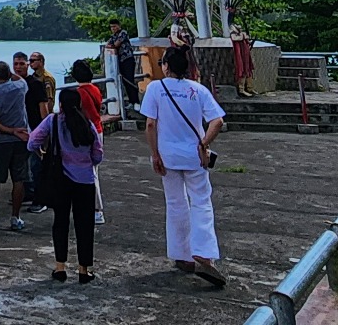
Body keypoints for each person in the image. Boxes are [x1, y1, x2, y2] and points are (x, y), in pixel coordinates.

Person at [141, 47, 228, 288]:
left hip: (167, 155)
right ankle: (203, 252)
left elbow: (150, 124)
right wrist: (204, 143)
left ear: (166, 65)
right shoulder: (197, 90)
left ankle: (183, 255)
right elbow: (217, 121)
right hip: (194, 156)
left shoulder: (155, 89)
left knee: (175, 202)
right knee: (201, 201)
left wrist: (154, 154)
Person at [28, 88, 103, 284]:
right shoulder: (87, 124)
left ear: (60, 104)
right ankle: (83, 270)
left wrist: (44, 154)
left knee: (60, 222)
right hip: (85, 181)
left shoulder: (53, 121)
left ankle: (60, 267)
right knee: (85, 225)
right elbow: (98, 154)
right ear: (79, 104)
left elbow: (32, 142)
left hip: (60, 180)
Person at [0, 61, 30, 232]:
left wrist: (9, 130)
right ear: (9, 74)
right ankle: (16, 217)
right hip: (21, 138)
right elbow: (19, 78)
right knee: (19, 179)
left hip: (1, 141)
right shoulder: (20, 87)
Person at [70, 60, 107, 225]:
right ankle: (94, 208)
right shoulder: (95, 89)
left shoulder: (79, 93)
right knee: (94, 170)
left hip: (86, 133)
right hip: (98, 130)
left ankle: (97, 209)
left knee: (90, 173)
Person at [17, 51, 50, 214]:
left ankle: (41, 200)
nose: (18, 67)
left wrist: (44, 131)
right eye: (15, 64)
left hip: (35, 130)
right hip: (20, 131)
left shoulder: (36, 84)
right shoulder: (14, 84)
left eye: (22, 64)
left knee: (37, 167)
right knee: (25, 167)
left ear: (27, 65)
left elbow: (43, 108)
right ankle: (29, 193)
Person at [105, 19, 139, 109]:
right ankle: (132, 102)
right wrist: (110, 45)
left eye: (114, 26)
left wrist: (111, 45)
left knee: (129, 80)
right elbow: (107, 44)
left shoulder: (123, 33)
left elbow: (116, 44)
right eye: (111, 27)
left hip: (128, 59)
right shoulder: (113, 36)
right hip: (120, 61)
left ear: (119, 26)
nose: (113, 29)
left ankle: (136, 102)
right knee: (124, 81)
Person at [230, 23, 255, 97]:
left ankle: (249, 88)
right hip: (240, 55)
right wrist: (243, 36)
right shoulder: (234, 34)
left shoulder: (241, 34)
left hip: (245, 55)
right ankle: (241, 89)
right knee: (242, 70)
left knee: (248, 70)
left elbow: (247, 41)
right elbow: (235, 38)